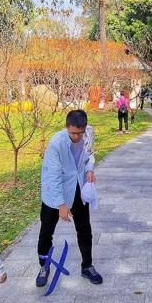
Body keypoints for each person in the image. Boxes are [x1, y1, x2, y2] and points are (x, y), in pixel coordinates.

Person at [36, 110, 102, 288]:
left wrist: (89, 169)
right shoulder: (56, 144)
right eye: (73, 133)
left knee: (84, 229)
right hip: (55, 194)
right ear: (67, 128)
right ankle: (44, 266)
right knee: (46, 233)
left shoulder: (89, 133)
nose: (77, 137)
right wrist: (61, 205)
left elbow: (90, 154)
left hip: (77, 187)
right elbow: (53, 176)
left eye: (80, 133)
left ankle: (87, 266)